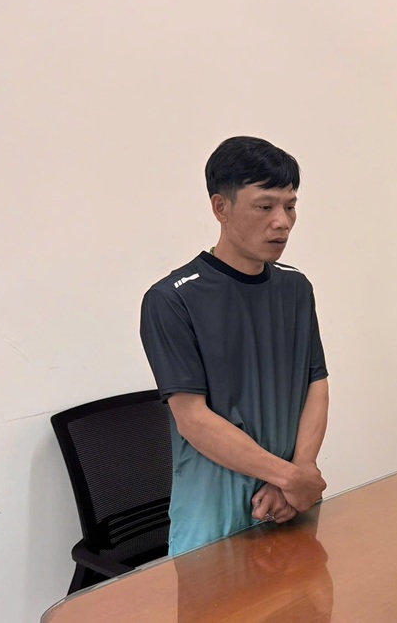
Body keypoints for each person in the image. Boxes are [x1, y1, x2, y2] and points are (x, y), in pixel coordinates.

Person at [140, 136, 330, 556]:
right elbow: (193, 419)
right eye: (265, 207)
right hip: (214, 513)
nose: (282, 222)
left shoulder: (295, 288)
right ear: (220, 207)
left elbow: (315, 383)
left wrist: (301, 471)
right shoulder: (173, 299)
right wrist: (290, 477)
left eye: (290, 206)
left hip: (290, 504)